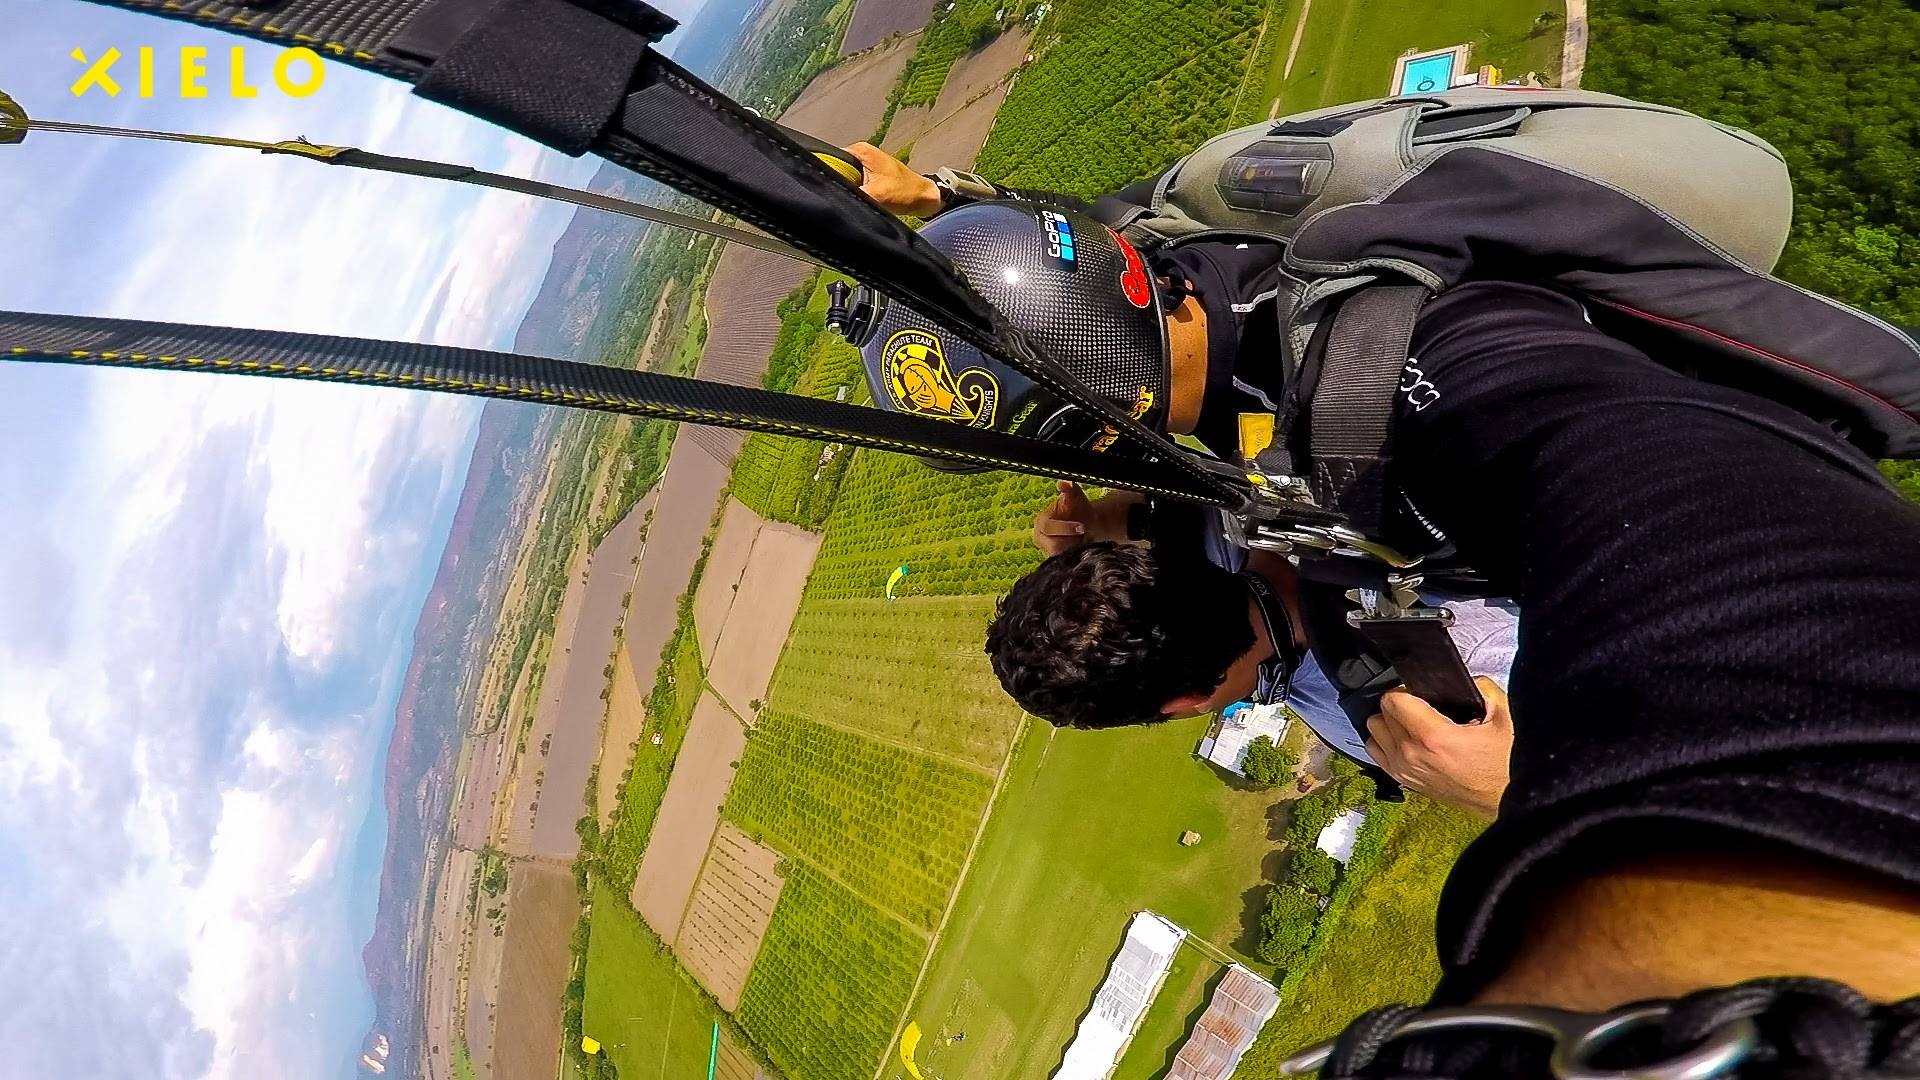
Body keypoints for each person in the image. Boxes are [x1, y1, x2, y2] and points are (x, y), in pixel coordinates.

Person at [846, 144, 1920, 1033]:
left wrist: (1528, 794)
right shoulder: (1188, 275)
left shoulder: (1396, 397)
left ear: (1183, 705)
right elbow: (1080, 261)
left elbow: (1744, 575)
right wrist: (944, 207)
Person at [994, 498, 1519, 815]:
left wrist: (1498, 793)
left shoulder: (1419, 714)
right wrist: (1105, 520)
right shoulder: (1236, 504)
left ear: (1187, 701)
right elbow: (1162, 512)